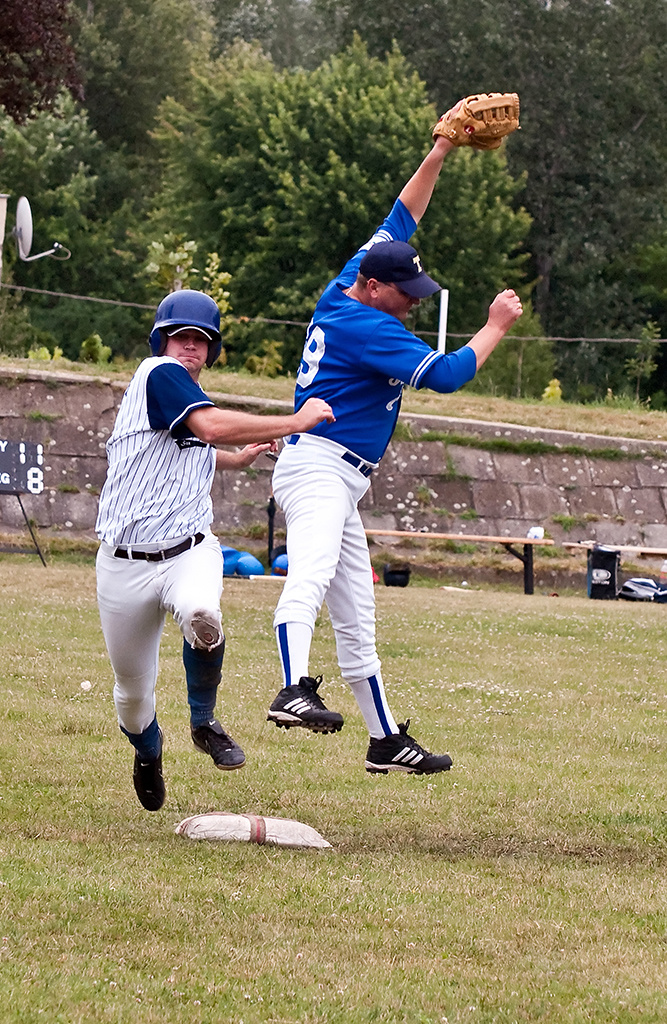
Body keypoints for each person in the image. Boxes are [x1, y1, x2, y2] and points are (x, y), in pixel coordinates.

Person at [266, 117, 523, 775]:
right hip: (319, 466)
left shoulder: (352, 280)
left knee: (358, 612)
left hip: (336, 474)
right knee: (312, 573)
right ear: (375, 290)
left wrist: (438, 150)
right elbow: (447, 374)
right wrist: (494, 326)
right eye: (405, 294)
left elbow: (400, 215)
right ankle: (291, 690)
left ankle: (384, 740)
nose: (412, 302)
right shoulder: (367, 327)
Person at [95, 289, 333, 811]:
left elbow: (196, 444)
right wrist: (294, 421)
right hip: (124, 561)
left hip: (189, 549)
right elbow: (207, 425)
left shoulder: (183, 394)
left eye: (200, 341)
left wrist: (237, 458)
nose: (189, 347)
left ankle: (203, 723)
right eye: (180, 336)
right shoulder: (157, 374)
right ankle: (148, 749)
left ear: (210, 351)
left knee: (204, 616)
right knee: (133, 698)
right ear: (162, 340)